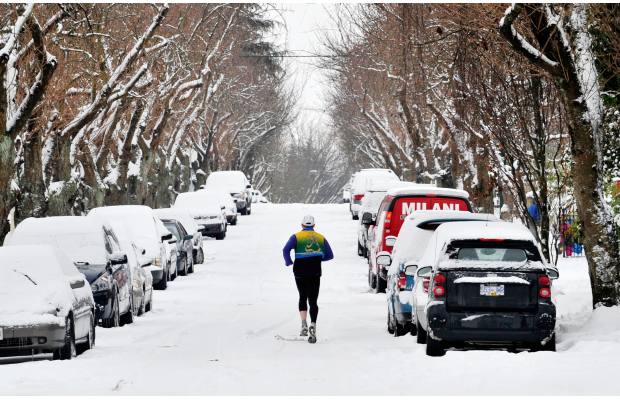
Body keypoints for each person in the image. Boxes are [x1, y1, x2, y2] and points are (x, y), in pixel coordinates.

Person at [282, 215, 334, 343]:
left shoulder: (296, 237)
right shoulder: (321, 237)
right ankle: (313, 325)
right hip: (315, 272)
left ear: (302, 225)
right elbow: (330, 255)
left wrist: (289, 261)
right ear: (314, 226)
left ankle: (304, 324)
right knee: (313, 300)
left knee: (302, 296)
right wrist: (318, 258)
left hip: (299, 271)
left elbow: (285, 249)